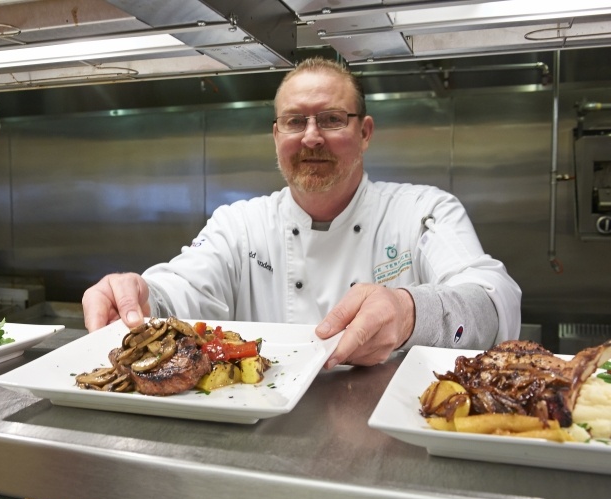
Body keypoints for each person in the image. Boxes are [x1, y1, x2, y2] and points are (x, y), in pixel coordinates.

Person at [82, 57, 522, 367]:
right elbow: (184, 286)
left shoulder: (423, 211)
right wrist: (144, 296)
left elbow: (492, 298)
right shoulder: (240, 224)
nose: (311, 138)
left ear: (364, 132)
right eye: (295, 121)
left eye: (331, 119)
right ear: (276, 135)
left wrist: (411, 312)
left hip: (389, 441)